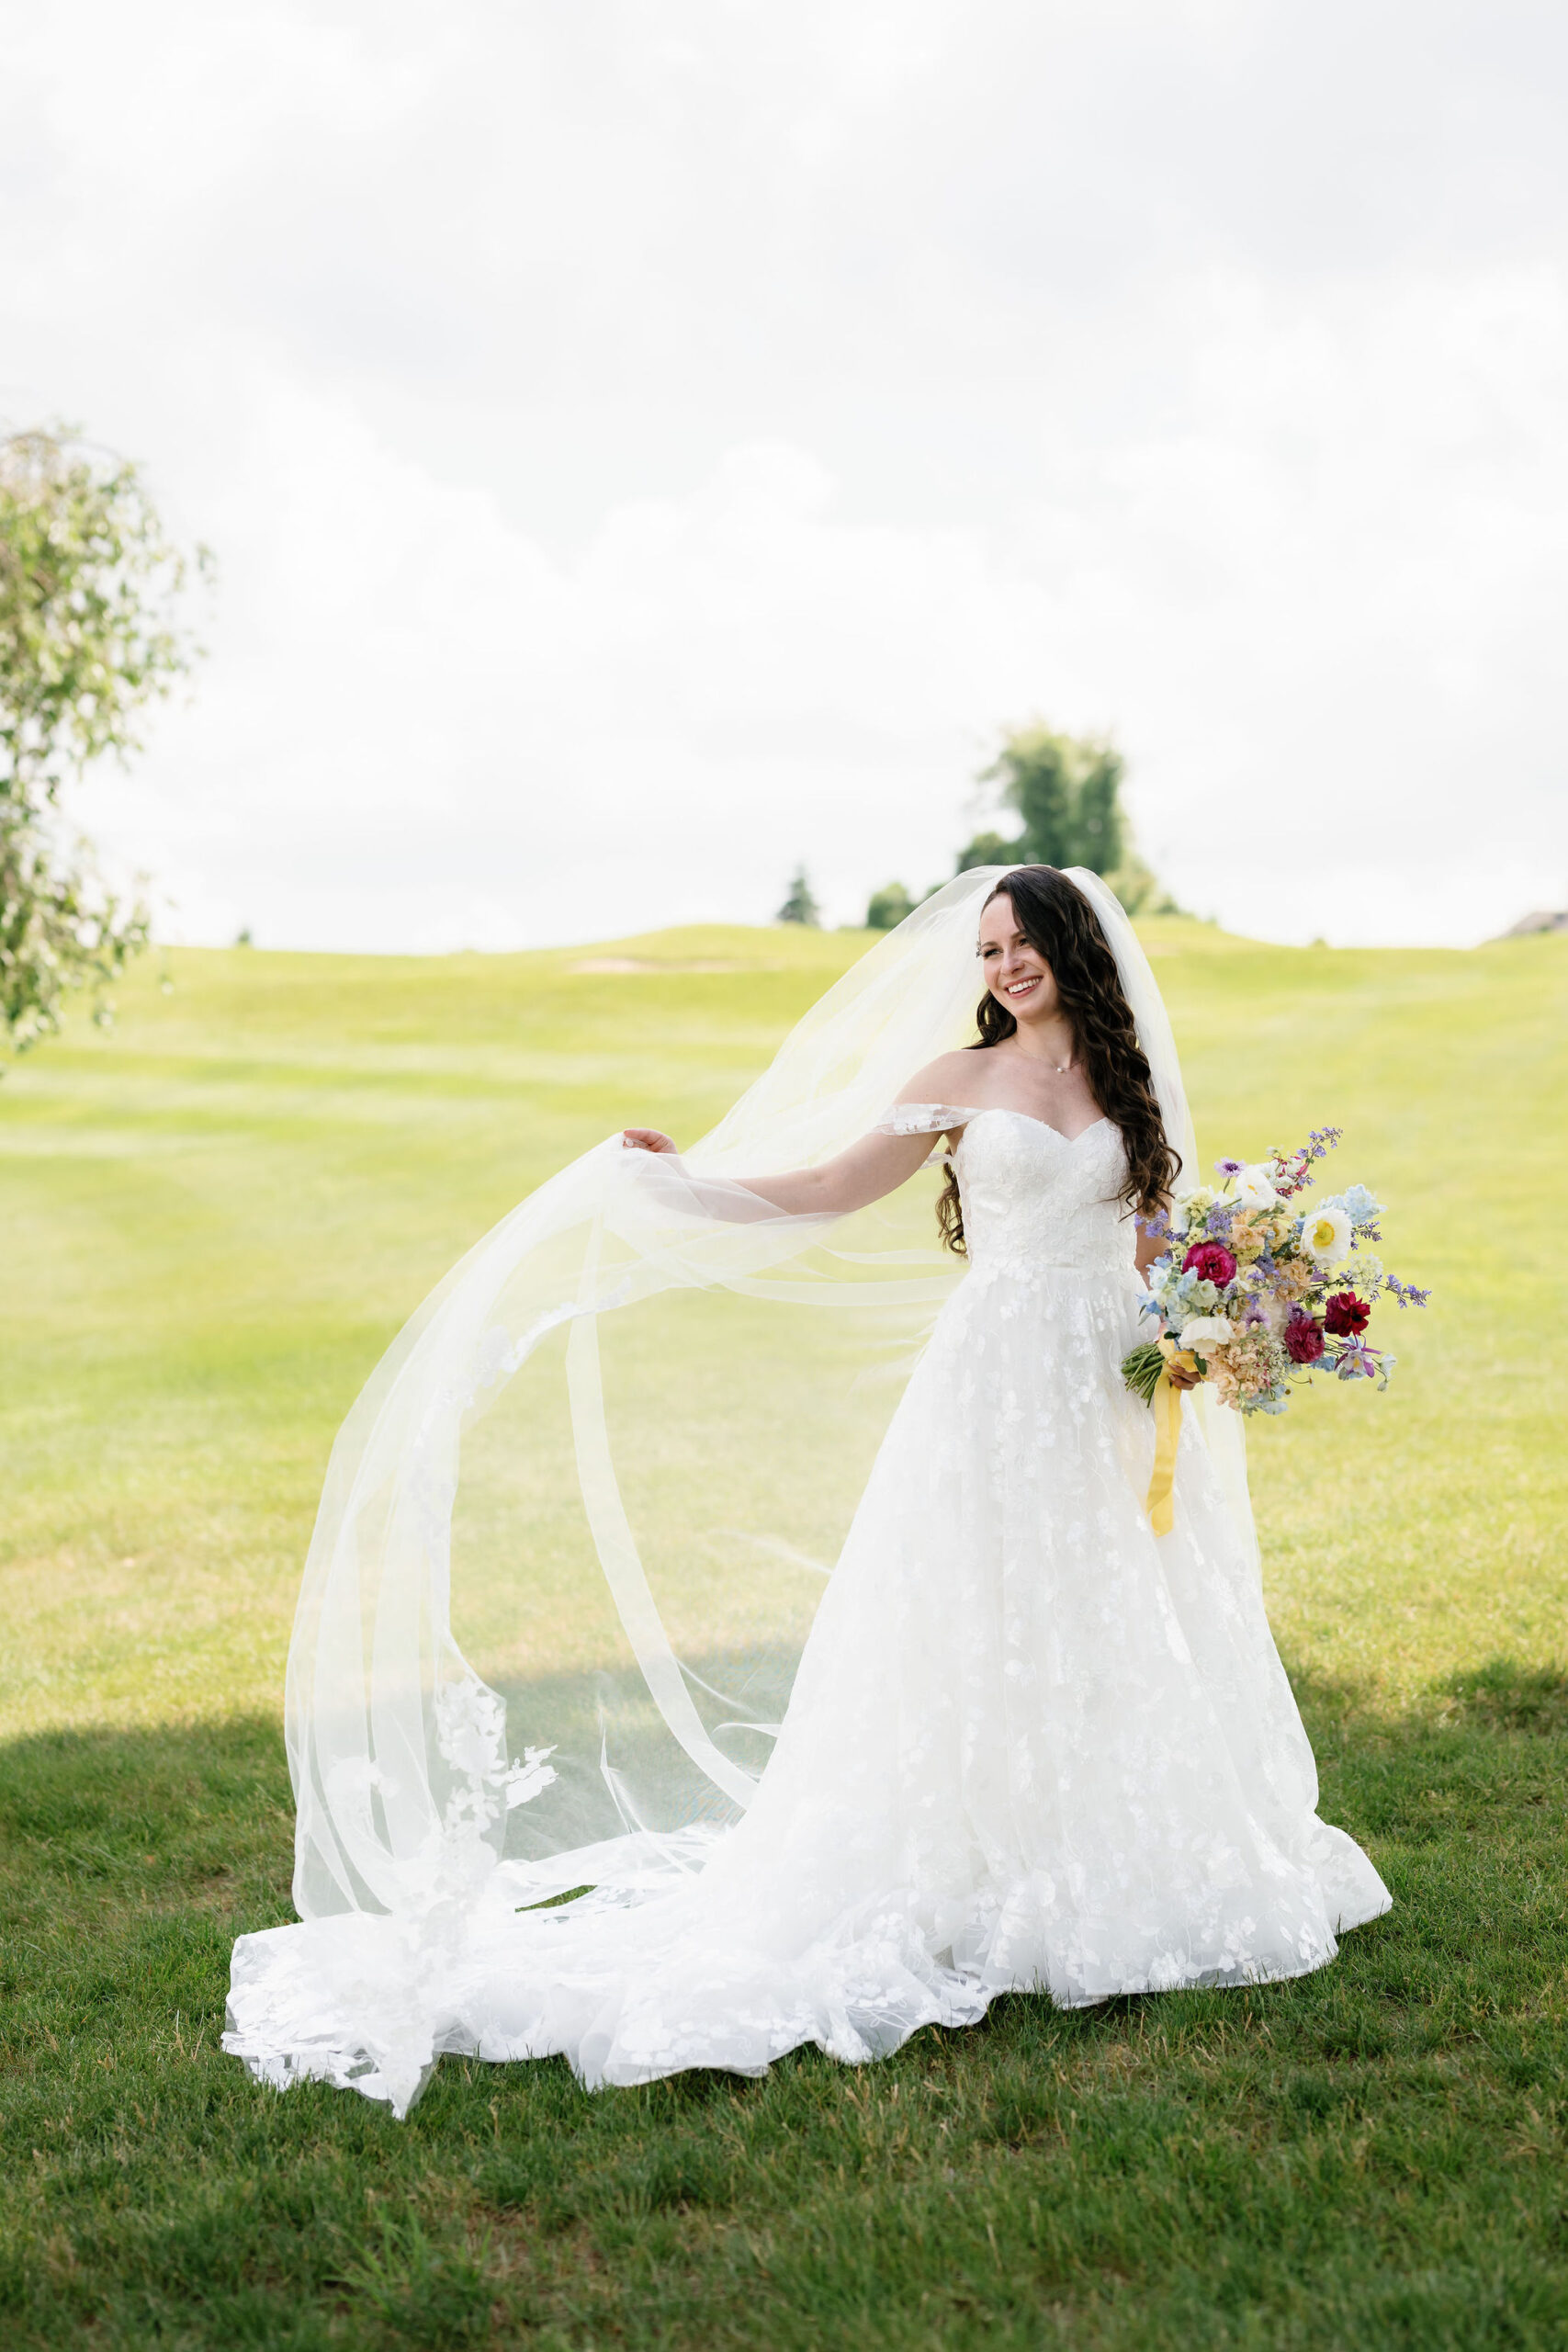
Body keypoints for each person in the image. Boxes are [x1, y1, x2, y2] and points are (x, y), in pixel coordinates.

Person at [224, 865, 1390, 2116]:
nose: (1003, 965)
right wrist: (679, 1186)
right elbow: (827, 1191)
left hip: (1105, 1386)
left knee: (1111, 1612)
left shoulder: (1126, 1087)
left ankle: (1102, 1864)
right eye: (988, 949)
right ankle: (982, 1873)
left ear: (1070, 947)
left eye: (1022, 943)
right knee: (981, 1610)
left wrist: (1230, 1315)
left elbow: (1161, 1247)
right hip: (992, 1391)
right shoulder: (955, 1084)